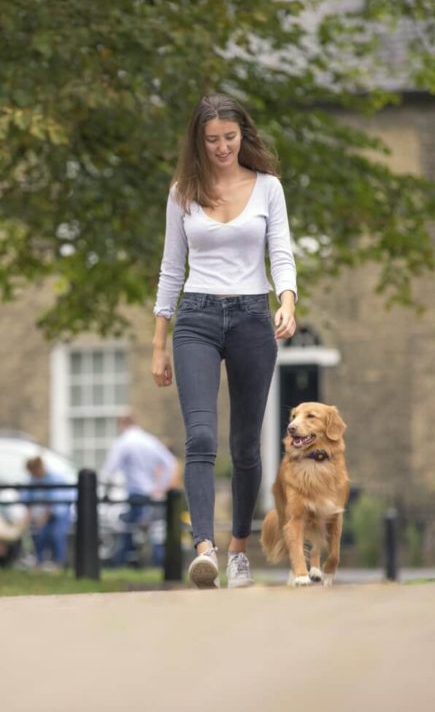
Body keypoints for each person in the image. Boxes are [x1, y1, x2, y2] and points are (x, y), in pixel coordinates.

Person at [152, 93, 298, 589]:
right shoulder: (182, 192)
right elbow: (171, 269)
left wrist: (288, 300)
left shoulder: (268, 188)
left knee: (245, 445)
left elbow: (281, 249)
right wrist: (158, 343)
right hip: (196, 316)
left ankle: (238, 548)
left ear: (243, 136)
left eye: (229, 138)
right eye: (211, 140)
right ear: (198, 141)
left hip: (253, 316)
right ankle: (205, 549)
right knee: (201, 438)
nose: (221, 148)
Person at [101, 414, 178, 567]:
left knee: (129, 530)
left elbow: (109, 469)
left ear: (121, 424)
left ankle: (121, 564)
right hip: (151, 493)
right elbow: (170, 463)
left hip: (135, 493)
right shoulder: (149, 440)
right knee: (153, 531)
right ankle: (156, 564)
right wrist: (160, 487)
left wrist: (103, 490)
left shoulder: (123, 442)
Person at [22, 456, 74, 570]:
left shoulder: (54, 478)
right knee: (40, 536)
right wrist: (28, 517)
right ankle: (39, 563)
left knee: (57, 535)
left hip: (59, 513)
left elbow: (54, 501)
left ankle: (59, 564)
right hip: (42, 515)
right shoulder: (33, 479)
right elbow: (28, 499)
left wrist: (43, 518)